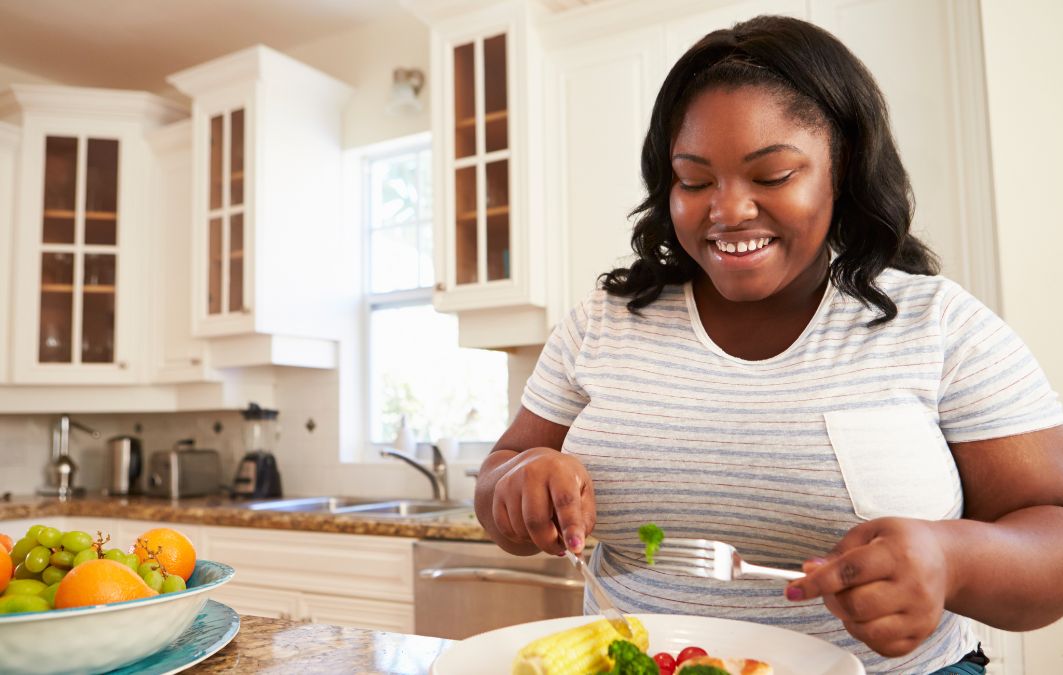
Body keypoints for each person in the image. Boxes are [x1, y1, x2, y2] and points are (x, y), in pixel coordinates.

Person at [472, 14, 1063, 675]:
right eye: (693, 181)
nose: (726, 210)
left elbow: (1050, 530)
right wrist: (517, 483)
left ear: (843, 171)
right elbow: (505, 464)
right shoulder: (602, 323)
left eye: (773, 175)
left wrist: (951, 559)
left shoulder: (940, 325)